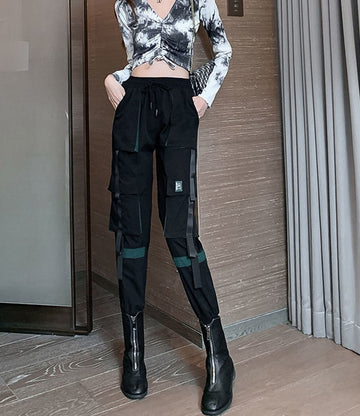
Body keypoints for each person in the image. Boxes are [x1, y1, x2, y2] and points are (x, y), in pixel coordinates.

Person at [103, 0, 235, 414]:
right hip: (135, 107)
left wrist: (203, 98)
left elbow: (223, 49)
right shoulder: (126, 4)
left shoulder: (199, 2)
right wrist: (114, 79)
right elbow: (135, 58)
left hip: (180, 106)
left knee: (181, 231)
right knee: (132, 230)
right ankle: (134, 353)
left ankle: (219, 357)